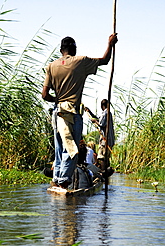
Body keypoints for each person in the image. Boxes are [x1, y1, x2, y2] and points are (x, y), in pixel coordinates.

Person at [42, 33, 118, 189]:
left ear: (61, 50)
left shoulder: (51, 66)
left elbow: (44, 95)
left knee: (59, 148)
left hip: (57, 113)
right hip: (71, 113)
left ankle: (56, 178)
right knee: (72, 149)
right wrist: (110, 43)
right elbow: (104, 60)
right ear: (73, 49)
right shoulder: (80, 61)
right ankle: (63, 181)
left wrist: (57, 100)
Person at [85, 99, 115, 170]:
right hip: (110, 140)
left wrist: (95, 121)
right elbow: (99, 119)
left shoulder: (105, 113)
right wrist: (90, 113)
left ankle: (103, 172)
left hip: (105, 140)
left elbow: (101, 124)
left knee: (101, 156)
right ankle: (106, 172)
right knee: (106, 157)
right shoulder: (108, 113)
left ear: (102, 106)